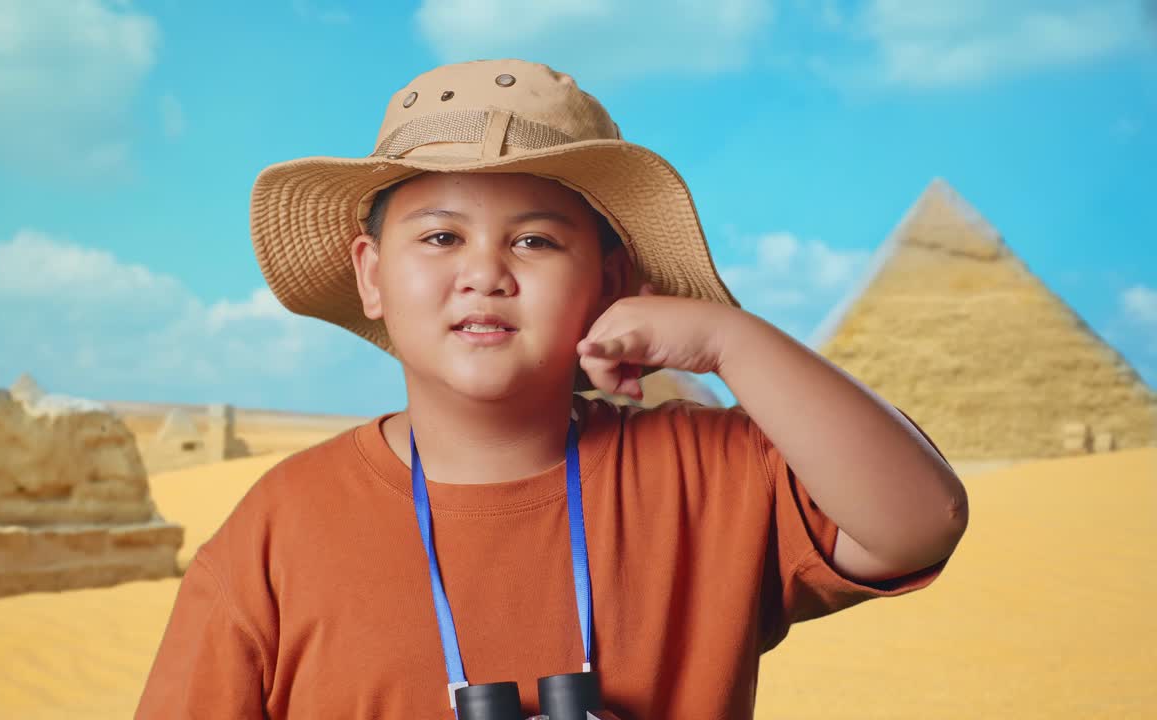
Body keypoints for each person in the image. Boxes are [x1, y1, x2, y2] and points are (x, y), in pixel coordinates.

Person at [135, 59, 968, 719]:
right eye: (440, 237)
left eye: (534, 240)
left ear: (610, 279)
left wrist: (728, 338)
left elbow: (919, 522)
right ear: (372, 275)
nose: (484, 274)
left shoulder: (706, 474)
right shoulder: (280, 529)